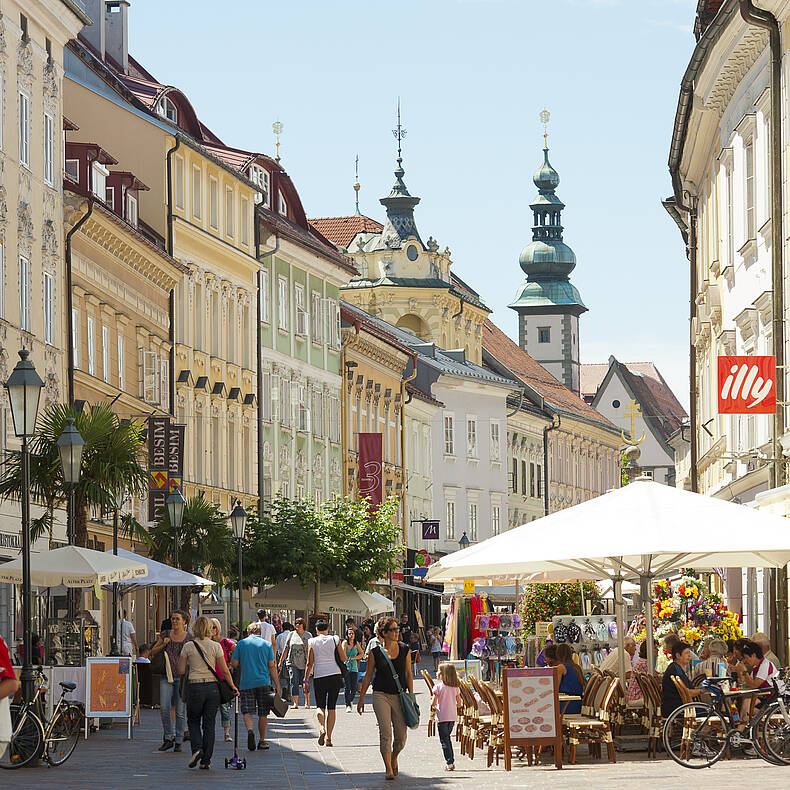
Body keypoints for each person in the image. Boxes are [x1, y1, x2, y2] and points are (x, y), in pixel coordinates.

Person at [177, 616, 238, 770]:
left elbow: (181, 670)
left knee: (193, 720)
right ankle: (206, 761)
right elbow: (224, 670)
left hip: (195, 687)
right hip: (212, 688)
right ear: (209, 629)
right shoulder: (216, 646)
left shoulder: (188, 646)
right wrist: (232, 686)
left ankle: (197, 748)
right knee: (209, 724)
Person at [358, 615, 414, 781]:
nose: (397, 632)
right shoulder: (376, 652)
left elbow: (408, 674)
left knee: (401, 737)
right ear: (384, 633)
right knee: (385, 733)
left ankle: (394, 756)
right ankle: (388, 768)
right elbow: (368, 676)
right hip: (380, 694)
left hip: (399, 696)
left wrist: (411, 696)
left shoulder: (405, 649)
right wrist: (361, 699)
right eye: (393, 629)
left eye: (397, 629)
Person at [231, 622, 280, 752]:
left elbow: (234, 663)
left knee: (247, 711)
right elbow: (271, 665)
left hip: (246, 683)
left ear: (248, 632)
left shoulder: (241, 644)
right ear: (260, 633)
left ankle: (250, 731)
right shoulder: (267, 644)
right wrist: (277, 684)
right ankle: (262, 741)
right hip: (263, 682)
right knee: (263, 713)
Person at [150, 609, 193, 752]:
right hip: (166, 676)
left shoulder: (189, 638)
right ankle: (169, 737)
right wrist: (164, 644)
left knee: (180, 711)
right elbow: (153, 652)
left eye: (177, 619)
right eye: (173, 619)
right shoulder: (165, 635)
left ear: (184, 622)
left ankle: (179, 740)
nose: (174, 621)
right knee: (164, 707)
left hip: (182, 678)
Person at [305, 619, 347, 747]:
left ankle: (322, 727)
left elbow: (309, 663)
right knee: (332, 708)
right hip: (334, 674)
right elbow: (343, 658)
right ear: (328, 628)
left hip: (319, 676)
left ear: (316, 630)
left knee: (320, 706)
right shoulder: (335, 639)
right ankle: (329, 738)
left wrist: (305, 679)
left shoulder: (311, 641)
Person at [431, 662, 462, 772]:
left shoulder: (438, 687)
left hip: (442, 717)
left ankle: (450, 762)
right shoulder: (455, 688)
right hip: (452, 717)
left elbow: (433, 703)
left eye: (438, 671)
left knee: (444, 740)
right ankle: (451, 760)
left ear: (443, 674)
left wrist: (434, 704)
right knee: (447, 738)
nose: (436, 673)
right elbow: (459, 704)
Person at [210, 618, 236, 743]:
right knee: (210, 709)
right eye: (210, 627)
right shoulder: (206, 643)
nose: (212, 630)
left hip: (222, 679)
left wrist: (231, 664)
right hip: (209, 679)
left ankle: (226, 733)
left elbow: (236, 649)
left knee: (224, 708)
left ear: (218, 628)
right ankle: (210, 732)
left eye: (214, 627)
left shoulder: (225, 642)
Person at [661, 640, 701, 718]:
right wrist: (702, 691)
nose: (689, 656)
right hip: (677, 709)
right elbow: (687, 693)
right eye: (686, 653)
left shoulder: (676, 668)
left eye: (689, 653)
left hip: (674, 707)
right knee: (711, 712)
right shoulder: (676, 671)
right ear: (678, 655)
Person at [279, 618, 312, 709]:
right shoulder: (291, 634)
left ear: (303, 625)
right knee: (293, 681)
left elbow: (311, 650)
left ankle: (307, 702)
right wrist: (281, 661)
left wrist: (312, 662)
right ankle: (296, 703)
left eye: (300, 623)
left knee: (305, 682)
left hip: (305, 663)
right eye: (296, 623)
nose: (298, 625)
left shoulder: (308, 635)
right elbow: (286, 648)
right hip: (292, 662)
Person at [546, 644, 584, 714]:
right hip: (577, 704)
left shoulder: (561, 667)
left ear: (557, 654)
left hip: (566, 705)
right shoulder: (576, 667)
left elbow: (555, 687)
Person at [342, 627, 361, 713]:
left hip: (354, 667)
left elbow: (362, 654)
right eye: (349, 633)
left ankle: (350, 700)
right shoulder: (345, 643)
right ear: (347, 634)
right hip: (346, 667)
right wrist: (347, 659)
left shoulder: (356, 644)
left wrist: (354, 658)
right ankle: (348, 705)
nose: (351, 635)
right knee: (347, 687)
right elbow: (343, 654)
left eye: (352, 633)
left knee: (354, 688)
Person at [276, 623, 294, 702]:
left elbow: (277, 648)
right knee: (290, 676)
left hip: (281, 657)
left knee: (283, 676)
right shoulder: (293, 635)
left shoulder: (279, 636)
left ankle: (284, 689)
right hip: (291, 657)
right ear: (290, 628)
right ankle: (288, 693)